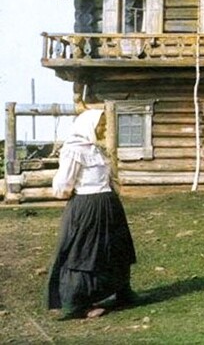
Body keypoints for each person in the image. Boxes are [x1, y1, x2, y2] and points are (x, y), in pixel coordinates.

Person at [47, 108, 139, 320]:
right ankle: (78, 304)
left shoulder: (95, 149)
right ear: (88, 125)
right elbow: (62, 185)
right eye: (101, 124)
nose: (104, 128)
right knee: (84, 254)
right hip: (88, 207)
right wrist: (73, 196)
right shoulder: (74, 149)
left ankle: (122, 292)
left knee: (116, 250)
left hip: (108, 205)